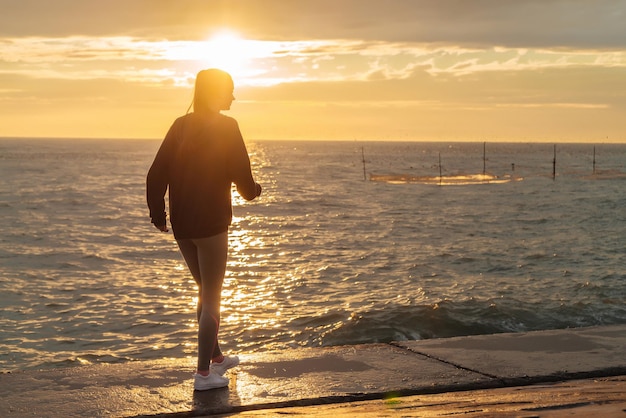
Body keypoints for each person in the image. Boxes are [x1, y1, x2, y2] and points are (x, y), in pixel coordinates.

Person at [146, 69, 262, 391]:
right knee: (212, 296)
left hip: (184, 225)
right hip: (211, 224)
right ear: (214, 93)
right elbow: (244, 179)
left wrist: (159, 215)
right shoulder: (228, 127)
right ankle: (202, 375)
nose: (234, 97)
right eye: (230, 90)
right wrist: (256, 192)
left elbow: (155, 176)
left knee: (203, 288)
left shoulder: (179, 126)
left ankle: (217, 358)